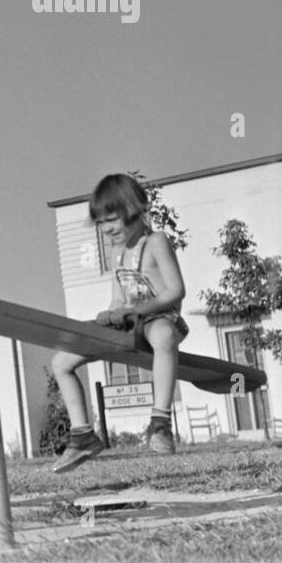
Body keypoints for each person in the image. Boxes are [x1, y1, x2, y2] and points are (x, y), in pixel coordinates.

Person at [50, 175, 188, 472]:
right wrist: (112, 314)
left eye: (111, 219)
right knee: (61, 361)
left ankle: (160, 423)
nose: (106, 228)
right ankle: (83, 434)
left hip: (161, 318)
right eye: (100, 222)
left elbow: (175, 292)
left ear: (135, 211)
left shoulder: (156, 242)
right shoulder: (117, 253)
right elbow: (118, 297)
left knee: (163, 338)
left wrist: (138, 311)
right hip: (130, 322)